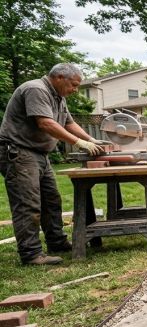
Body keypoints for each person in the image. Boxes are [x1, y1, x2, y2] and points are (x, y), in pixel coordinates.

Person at [0, 63, 109, 265]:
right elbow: (46, 123)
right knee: (28, 204)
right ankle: (31, 254)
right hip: (20, 152)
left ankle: (56, 242)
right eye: (74, 85)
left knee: (51, 201)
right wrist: (78, 143)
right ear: (59, 77)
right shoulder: (36, 89)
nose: (76, 90)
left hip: (40, 154)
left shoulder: (58, 97)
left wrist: (91, 140)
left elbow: (68, 122)